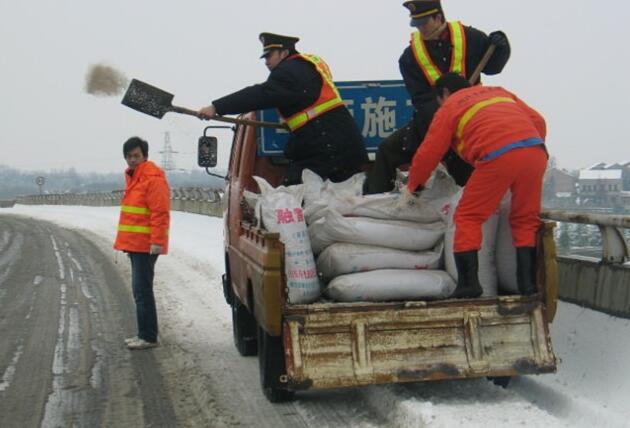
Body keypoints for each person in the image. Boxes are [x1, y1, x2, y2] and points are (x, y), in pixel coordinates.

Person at [406, 72, 547, 298]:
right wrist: (524, 148)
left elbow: (429, 152)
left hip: (498, 155)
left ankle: (469, 284)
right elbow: (538, 121)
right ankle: (528, 286)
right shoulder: (500, 92)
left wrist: (413, 186)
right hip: (535, 152)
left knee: (468, 217)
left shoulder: (450, 106)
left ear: (444, 94)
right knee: (525, 219)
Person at [364, 0, 511, 194]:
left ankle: (474, 204)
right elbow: (420, 99)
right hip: (432, 121)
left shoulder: (471, 38)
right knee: (388, 150)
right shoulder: (409, 57)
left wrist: (502, 47)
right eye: (417, 25)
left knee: (466, 170)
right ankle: (375, 202)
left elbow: (493, 67)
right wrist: (444, 116)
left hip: (470, 124)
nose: (421, 29)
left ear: (438, 17)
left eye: (424, 22)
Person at [198, 32, 368, 185]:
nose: (266, 62)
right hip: (341, 143)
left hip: (325, 146)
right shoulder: (308, 65)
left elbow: (259, 94)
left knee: (289, 199)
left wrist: (216, 107)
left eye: (269, 56)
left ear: (284, 53)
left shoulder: (288, 72)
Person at [114, 137, 170, 350]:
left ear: (145, 156)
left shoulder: (152, 179)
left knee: (142, 291)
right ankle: (145, 334)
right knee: (141, 291)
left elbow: (160, 212)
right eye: (129, 156)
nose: (132, 160)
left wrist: (156, 242)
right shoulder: (135, 179)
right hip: (136, 245)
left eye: (136, 155)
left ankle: (148, 336)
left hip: (146, 246)